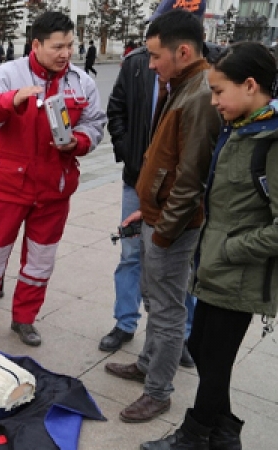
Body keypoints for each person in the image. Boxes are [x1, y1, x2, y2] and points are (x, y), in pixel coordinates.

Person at [140, 41, 278, 450]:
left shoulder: (269, 141)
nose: (214, 101)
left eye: (219, 92)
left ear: (250, 86)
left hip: (238, 272)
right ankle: (222, 432)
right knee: (201, 348)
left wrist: (232, 249)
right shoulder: (243, 129)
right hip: (216, 265)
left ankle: (194, 436)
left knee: (213, 357)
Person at [104, 9, 221, 425]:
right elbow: (169, 163)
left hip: (174, 229)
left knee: (168, 310)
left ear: (183, 51)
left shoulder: (199, 95)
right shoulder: (183, 84)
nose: (150, 64)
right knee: (155, 299)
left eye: (155, 56)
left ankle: (158, 392)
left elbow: (191, 181)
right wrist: (147, 208)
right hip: (158, 217)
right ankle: (148, 363)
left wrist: (163, 231)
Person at [0, 11, 106, 346]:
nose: (66, 53)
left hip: (55, 188)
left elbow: (95, 124)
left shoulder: (81, 82)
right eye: (58, 46)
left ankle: (24, 319)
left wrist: (79, 142)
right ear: (37, 44)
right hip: (8, 187)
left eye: (70, 45)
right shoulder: (7, 74)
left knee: (40, 260)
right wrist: (11, 100)